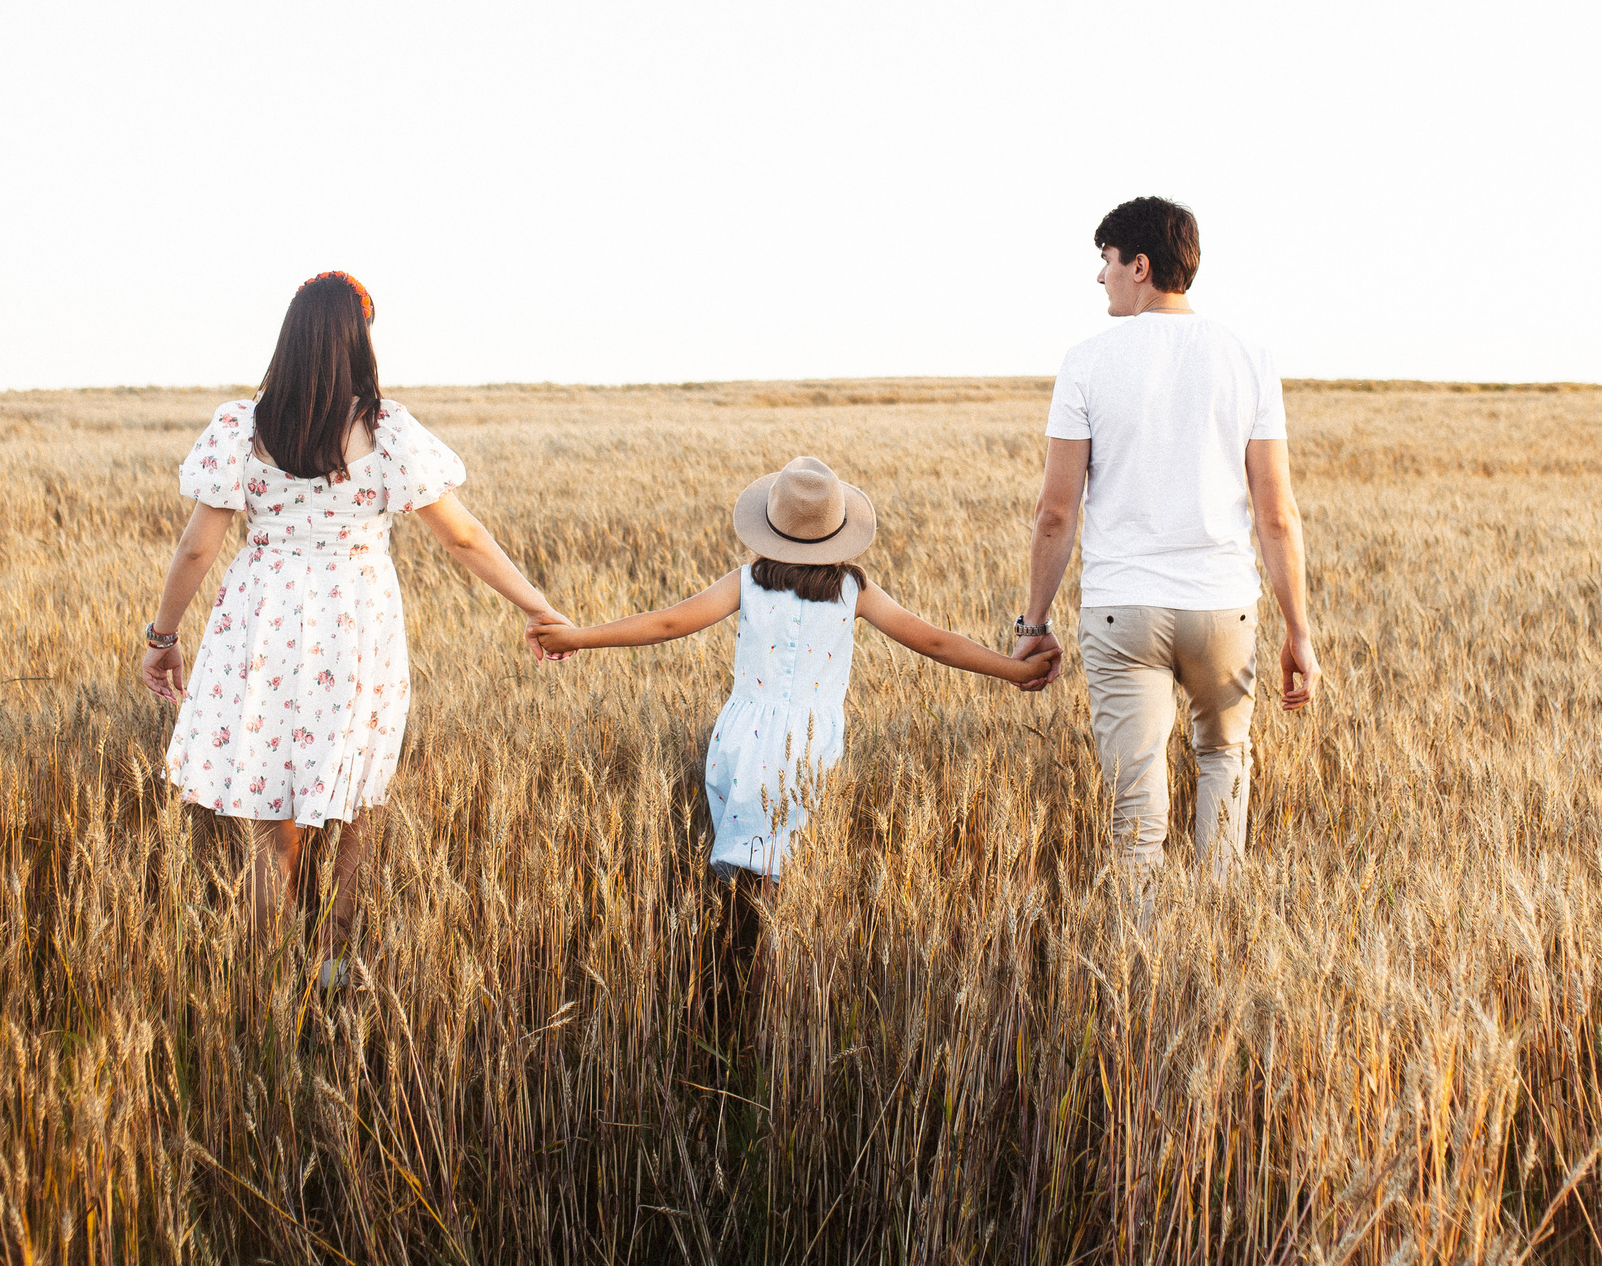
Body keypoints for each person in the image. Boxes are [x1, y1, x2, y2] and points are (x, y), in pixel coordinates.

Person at [140, 270, 568, 960]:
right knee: (358, 798)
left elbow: (198, 547)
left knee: (269, 812)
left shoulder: (239, 428)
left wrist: (163, 635)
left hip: (263, 620)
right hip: (355, 624)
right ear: (356, 339)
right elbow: (462, 537)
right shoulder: (385, 429)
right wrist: (539, 605)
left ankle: (263, 977)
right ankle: (337, 960)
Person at [532, 455, 1053, 877]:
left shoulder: (747, 581)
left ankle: (732, 971)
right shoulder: (854, 589)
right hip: (810, 744)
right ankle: (779, 987)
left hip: (742, 739)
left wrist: (578, 635)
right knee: (794, 873)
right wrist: (1013, 670)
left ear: (770, 526)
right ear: (838, 530)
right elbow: (935, 642)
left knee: (740, 873)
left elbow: (666, 624)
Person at [1012, 197, 1318, 882]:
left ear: (1140, 266)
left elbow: (1055, 513)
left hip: (1124, 610)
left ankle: (1143, 969)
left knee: (1136, 820)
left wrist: (1034, 621)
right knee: (1224, 762)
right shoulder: (1250, 358)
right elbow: (1277, 515)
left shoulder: (1086, 362)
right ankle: (1213, 951)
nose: (1100, 278)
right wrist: (1299, 630)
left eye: (1107, 262)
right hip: (1223, 607)